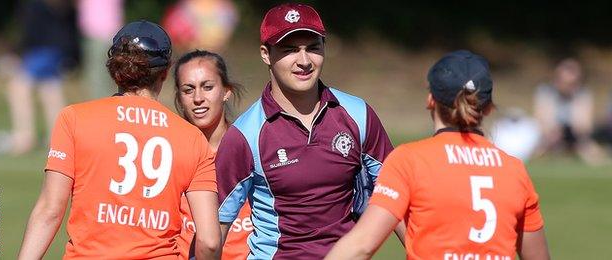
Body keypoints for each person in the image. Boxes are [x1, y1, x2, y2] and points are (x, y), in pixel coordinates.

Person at [18, 20, 221, 259]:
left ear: (113, 69)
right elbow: (208, 241)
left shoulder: (74, 119)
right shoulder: (192, 138)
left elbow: (50, 212)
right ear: (166, 72)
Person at [326, 50, 550, 260]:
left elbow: (362, 245)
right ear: (489, 107)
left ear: (431, 100)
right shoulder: (514, 169)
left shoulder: (409, 161)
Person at [215, 3, 396, 259]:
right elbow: (216, 230)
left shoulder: (358, 115)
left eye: (313, 48)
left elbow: (396, 193)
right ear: (266, 54)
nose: (304, 61)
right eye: (290, 50)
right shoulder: (245, 135)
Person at [172, 50, 251, 259]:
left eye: (208, 87)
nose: (198, 98)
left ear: (226, 91)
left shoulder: (251, 148)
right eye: (188, 90)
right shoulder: (169, 154)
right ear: (179, 98)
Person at [4, 0, 78, 155]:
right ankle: (57, 138)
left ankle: (24, 137)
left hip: (44, 50)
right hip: (49, 49)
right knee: (50, 91)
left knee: (19, 89)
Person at [533, 58, 603, 164]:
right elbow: (540, 119)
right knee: (538, 154)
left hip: (575, 136)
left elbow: (585, 125)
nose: (568, 86)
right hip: (551, 135)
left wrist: (576, 132)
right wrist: (552, 132)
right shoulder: (546, 92)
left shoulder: (582, 94)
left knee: (593, 155)